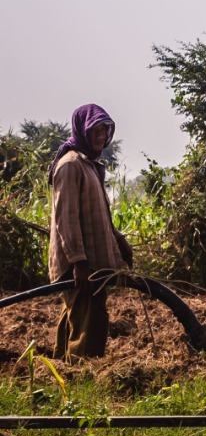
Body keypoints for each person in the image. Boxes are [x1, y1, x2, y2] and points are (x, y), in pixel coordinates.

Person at [47, 104, 133, 358]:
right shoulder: (70, 165)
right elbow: (67, 219)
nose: (100, 136)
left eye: (104, 130)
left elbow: (99, 215)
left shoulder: (88, 164)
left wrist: (120, 241)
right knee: (90, 318)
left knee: (77, 315)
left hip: (88, 262)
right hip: (80, 264)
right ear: (82, 131)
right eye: (95, 130)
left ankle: (62, 367)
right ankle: (82, 372)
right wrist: (79, 263)